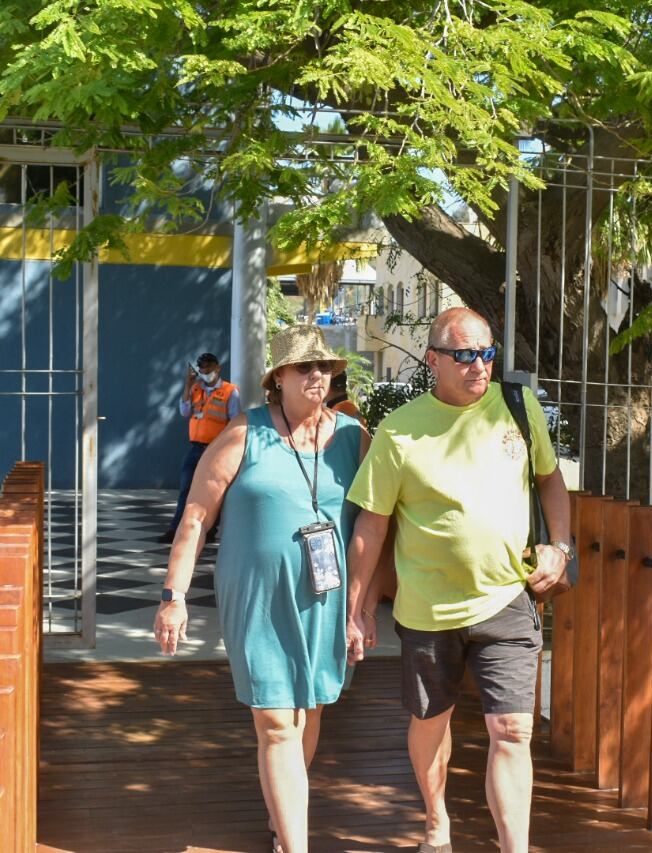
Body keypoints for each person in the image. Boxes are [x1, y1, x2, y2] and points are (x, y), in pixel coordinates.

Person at [344, 307, 572, 853]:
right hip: (427, 610)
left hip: (508, 599)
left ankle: (512, 846)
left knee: (513, 731)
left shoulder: (518, 410)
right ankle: (436, 821)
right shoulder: (400, 432)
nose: (479, 366)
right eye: (465, 355)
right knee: (430, 722)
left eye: (487, 354)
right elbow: (371, 525)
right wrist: (356, 606)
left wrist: (560, 548)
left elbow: (551, 481)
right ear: (433, 360)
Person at [153, 325, 370, 853]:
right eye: (304, 367)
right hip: (257, 598)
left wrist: (362, 607)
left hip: (325, 596)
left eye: (324, 367)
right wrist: (173, 596)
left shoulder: (353, 438)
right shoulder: (245, 432)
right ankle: (295, 844)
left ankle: (283, 815)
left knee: (310, 707)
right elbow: (196, 518)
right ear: (279, 379)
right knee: (276, 720)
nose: (317, 375)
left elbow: (375, 524)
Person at [158, 351, 240, 544]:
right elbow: (185, 411)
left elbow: (236, 420)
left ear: (217, 368)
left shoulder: (230, 391)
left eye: (209, 367)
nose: (205, 371)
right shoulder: (195, 388)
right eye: (202, 368)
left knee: (215, 491)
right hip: (196, 448)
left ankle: (210, 530)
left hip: (217, 448)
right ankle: (175, 529)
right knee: (186, 489)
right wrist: (187, 383)